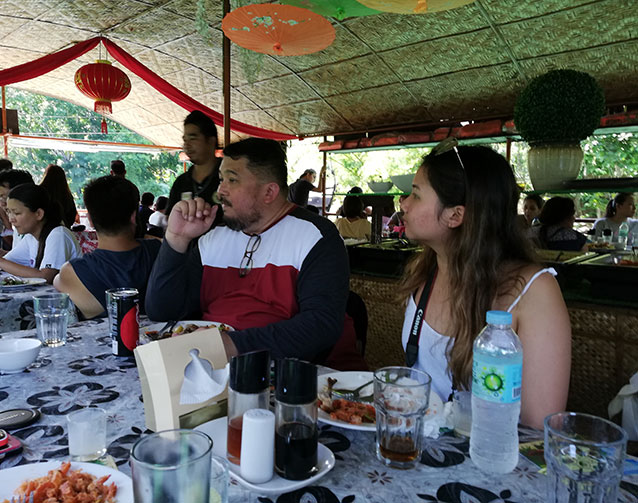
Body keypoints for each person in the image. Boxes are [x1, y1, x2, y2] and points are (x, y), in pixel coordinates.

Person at [146, 138, 365, 370]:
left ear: (269, 192)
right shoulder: (213, 238)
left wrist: (233, 345)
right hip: (214, 366)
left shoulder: (316, 236)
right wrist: (176, 239)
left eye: (232, 180)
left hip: (298, 374)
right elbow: (162, 311)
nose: (220, 191)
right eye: (221, 179)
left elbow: (320, 325)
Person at [398, 140, 570, 429]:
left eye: (415, 195)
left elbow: (539, 425)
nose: (403, 203)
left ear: (456, 215)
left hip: (490, 460)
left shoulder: (533, 291)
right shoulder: (426, 271)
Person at [54, 176, 161, 319]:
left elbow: (57, 281)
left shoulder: (72, 271)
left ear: (90, 219)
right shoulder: (159, 251)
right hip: (163, 337)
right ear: (134, 217)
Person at [0, 183, 81, 284]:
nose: (11, 219)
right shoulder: (31, 237)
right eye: (8, 212)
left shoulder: (58, 234)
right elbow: (9, 262)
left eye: (16, 213)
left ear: (39, 214)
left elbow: (46, 277)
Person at [165, 111, 222, 227]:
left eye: (192, 138)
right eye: (185, 140)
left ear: (211, 141)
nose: (186, 145)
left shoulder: (228, 178)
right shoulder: (181, 182)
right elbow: (170, 221)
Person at [40, 164, 78, 228]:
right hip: (63, 229)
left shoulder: (39, 192)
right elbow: (72, 217)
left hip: (42, 230)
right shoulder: (67, 196)